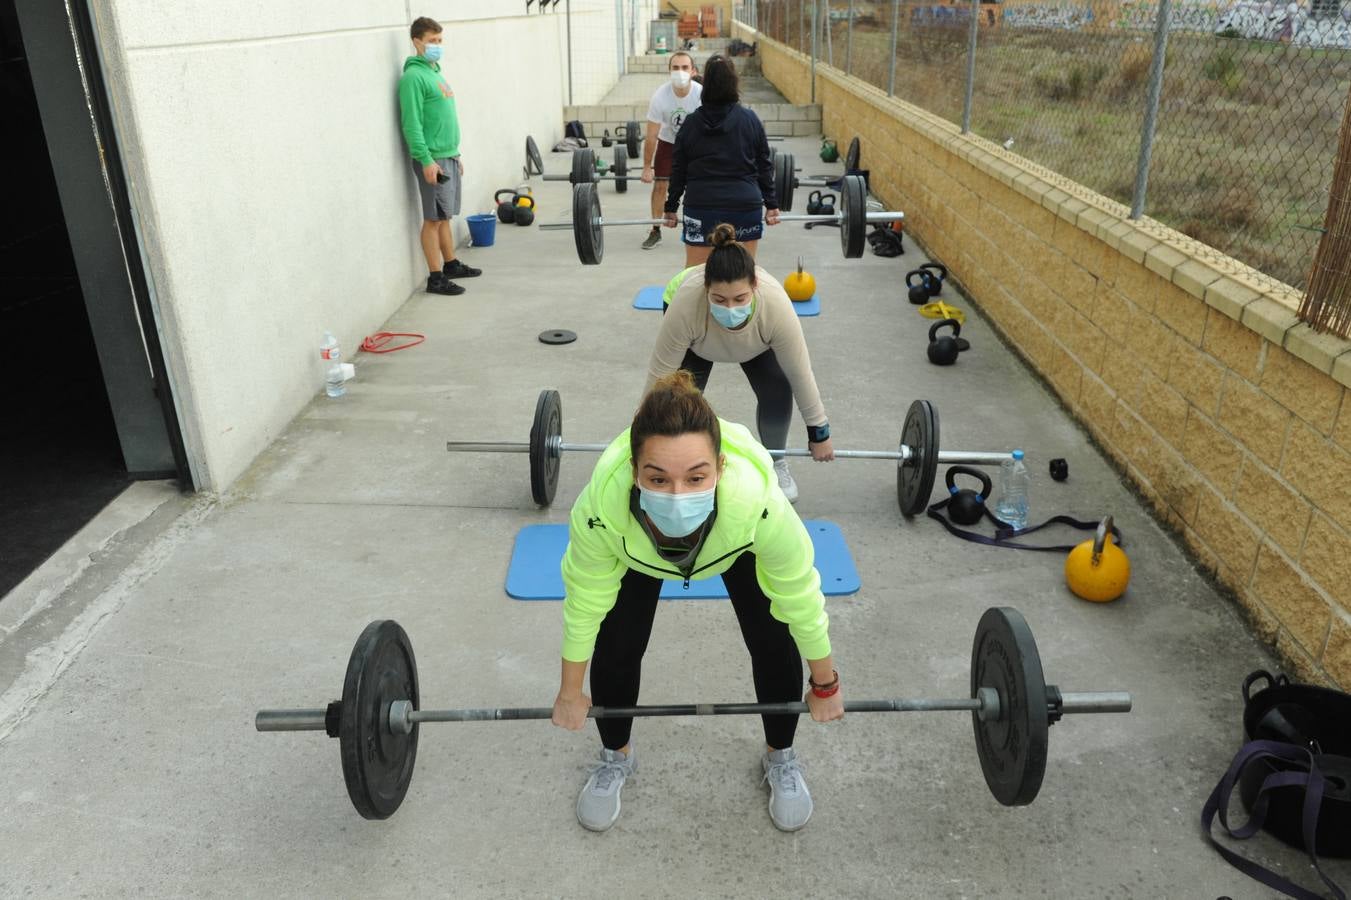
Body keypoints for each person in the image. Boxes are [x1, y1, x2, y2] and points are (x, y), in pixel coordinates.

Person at [552, 370, 845, 833]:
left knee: (773, 638)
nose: (677, 495)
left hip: (732, 542)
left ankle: (781, 756)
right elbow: (586, 599)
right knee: (617, 645)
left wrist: (825, 685)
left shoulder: (756, 503)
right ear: (634, 471)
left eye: (695, 477)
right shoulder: (602, 507)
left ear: (721, 468)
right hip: (639, 550)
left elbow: (800, 596)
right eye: (657, 477)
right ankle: (615, 757)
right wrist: (571, 691)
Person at [647, 225, 834, 503]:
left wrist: (819, 433)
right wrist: (639, 439)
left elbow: (800, 373)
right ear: (706, 289)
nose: (731, 308)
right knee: (681, 400)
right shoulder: (686, 301)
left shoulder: (776, 305)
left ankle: (776, 462)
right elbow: (658, 376)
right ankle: (683, 465)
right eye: (720, 299)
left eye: (740, 299)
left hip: (756, 342)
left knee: (778, 388)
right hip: (698, 340)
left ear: (754, 287)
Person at [663, 55, 779, 268]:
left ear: (705, 85)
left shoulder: (690, 124)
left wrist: (671, 207)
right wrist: (771, 205)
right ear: (734, 83)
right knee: (744, 274)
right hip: (744, 205)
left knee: (696, 275)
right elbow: (764, 164)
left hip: (701, 206)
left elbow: (678, 169)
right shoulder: (750, 120)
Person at [398, 16, 481, 296]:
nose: (437, 46)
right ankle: (435, 278)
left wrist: (455, 155)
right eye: (432, 41)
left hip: (447, 155)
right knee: (433, 219)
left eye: (440, 40)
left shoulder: (435, 72)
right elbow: (412, 124)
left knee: (444, 216)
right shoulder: (413, 77)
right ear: (416, 42)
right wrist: (426, 160)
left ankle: (451, 264)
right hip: (432, 158)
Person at [639, 52, 702, 251]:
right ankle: (656, 230)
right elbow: (651, 136)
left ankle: (700, 227)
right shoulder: (660, 96)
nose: (680, 72)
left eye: (684, 67)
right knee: (660, 185)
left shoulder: (701, 94)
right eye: (675, 68)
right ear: (669, 71)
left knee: (699, 185)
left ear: (693, 71)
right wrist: (647, 167)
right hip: (668, 142)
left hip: (694, 144)